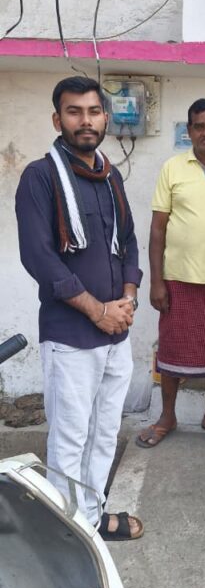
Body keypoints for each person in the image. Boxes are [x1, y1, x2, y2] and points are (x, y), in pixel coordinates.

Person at [15, 76, 143, 541]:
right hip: (71, 336)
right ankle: (67, 534)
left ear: (105, 118)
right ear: (58, 119)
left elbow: (128, 243)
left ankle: (90, 517)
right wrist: (96, 311)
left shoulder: (111, 177)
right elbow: (40, 259)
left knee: (105, 433)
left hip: (116, 334)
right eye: (74, 112)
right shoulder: (40, 177)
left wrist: (127, 299)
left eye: (93, 111)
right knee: (70, 439)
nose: (85, 121)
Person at [136, 98, 205, 449]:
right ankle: (167, 417)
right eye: (198, 126)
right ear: (190, 131)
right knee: (171, 353)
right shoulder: (173, 168)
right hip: (177, 280)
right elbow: (157, 230)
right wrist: (156, 282)